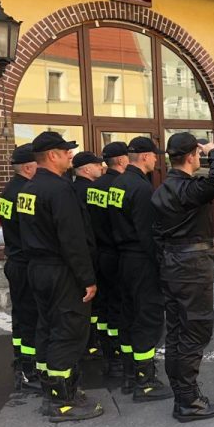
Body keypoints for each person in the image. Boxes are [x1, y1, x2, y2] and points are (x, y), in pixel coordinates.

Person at [17, 131, 102, 422]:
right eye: (66, 151)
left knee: (48, 328)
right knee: (68, 331)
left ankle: (55, 390)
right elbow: (72, 240)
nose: (70, 155)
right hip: (61, 270)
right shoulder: (60, 189)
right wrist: (87, 279)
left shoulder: (28, 188)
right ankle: (61, 402)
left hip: (37, 269)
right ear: (51, 155)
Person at [152, 132, 214, 422]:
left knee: (176, 332)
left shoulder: (160, 190)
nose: (201, 158)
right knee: (195, 331)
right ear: (191, 157)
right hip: (191, 266)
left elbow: (156, 234)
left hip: (171, 264)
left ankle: (182, 395)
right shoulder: (188, 188)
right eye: (198, 154)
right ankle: (188, 401)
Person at [109, 136, 173, 402]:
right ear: (145, 156)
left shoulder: (118, 183)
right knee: (148, 319)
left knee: (128, 317)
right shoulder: (141, 188)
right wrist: (161, 265)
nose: (157, 159)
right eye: (154, 155)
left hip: (121, 259)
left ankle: (129, 373)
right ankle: (145, 381)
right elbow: (148, 234)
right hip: (140, 260)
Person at [0, 144, 40, 392]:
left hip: (15, 260)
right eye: (38, 164)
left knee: (21, 316)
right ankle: (28, 369)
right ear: (27, 167)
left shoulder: (8, 189)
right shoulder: (23, 192)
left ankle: (22, 360)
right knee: (30, 317)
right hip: (24, 262)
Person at [86, 142, 130, 379]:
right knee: (118, 306)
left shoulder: (96, 185)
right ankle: (118, 358)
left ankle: (106, 348)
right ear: (122, 161)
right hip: (116, 253)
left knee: (103, 306)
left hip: (98, 253)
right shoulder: (118, 185)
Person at [71, 151, 103, 360]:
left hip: (84, 253)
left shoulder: (71, 189)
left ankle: (89, 341)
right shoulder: (90, 190)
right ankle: (92, 343)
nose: (101, 166)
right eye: (97, 164)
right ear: (86, 169)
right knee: (94, 301)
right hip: (93, 251)